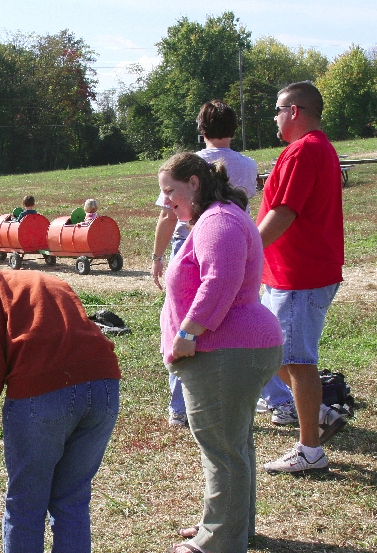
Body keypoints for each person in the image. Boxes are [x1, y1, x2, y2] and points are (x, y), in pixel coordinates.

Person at [0, 260, 121, 553]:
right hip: (104, 386)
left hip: (43, 394)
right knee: (72, 498)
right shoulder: (43, 278)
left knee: (26, 503)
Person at [158, 152, 284, 553]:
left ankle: (217, 542)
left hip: (225, 351)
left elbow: (220, 280)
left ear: (194, 183)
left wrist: (188, 332)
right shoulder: (218, 217)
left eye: (170, 192)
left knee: (223, 450)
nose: (166, 202)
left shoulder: (218, 221)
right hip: (235, 349)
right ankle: (230, 527)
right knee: (234, 444)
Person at [151, 99, 285, 428]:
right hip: (239, 238)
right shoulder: (247, 164)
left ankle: (181, 405)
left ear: (202, 129)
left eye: (170, 190)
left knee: (182, 319)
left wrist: (157, 257)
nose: (168, 196)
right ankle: (277, 399)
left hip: (198, 241)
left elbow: (169, 217)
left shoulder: (191, 166)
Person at [257, 81, 346, 475]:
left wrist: (242, 250)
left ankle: (310, 451)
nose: (274, 118)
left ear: (294, 111)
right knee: (269, 351)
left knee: (297, 360)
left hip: (300, 275)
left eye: (277, 110)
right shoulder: (317, 148)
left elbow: (284, 212)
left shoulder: (304, 150)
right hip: (290, 273)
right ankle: (320, 413)